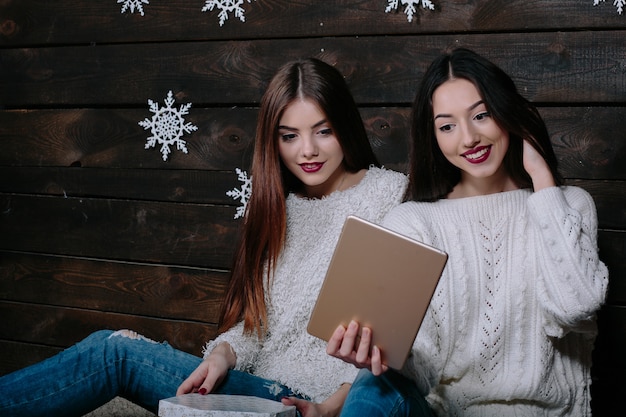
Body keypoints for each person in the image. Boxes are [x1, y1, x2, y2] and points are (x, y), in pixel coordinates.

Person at [0, 58, 408, 417]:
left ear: (345, 127)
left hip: (313, 404)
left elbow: (401, 340)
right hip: (254, 392)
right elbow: (256, 327)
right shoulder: (278, 208)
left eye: (323, 131)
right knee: (112, 345)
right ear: (274, 141)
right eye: (289, 136)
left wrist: (331, 406)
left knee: (116, 354)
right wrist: (222, 354)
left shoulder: (389, 196)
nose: (307, 151)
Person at [328, 48, 609, 416]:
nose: (468, 138)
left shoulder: (568, 205)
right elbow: (423, 369)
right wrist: (375, 356)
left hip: (544, 412)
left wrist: (542, 180)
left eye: (481, 115)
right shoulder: (413, 221)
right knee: (371, 387)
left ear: (508, 114)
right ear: (432, 136)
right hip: (443, 413)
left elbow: (577, 306)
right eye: (447, 126)